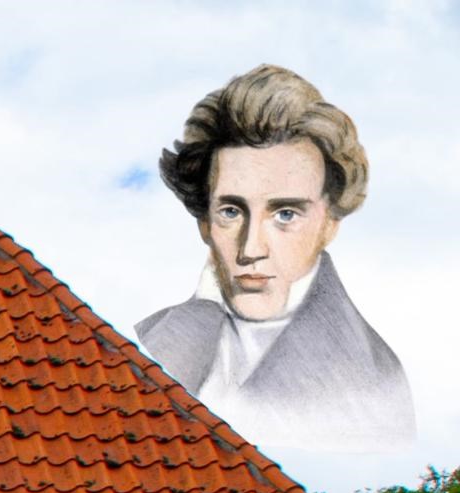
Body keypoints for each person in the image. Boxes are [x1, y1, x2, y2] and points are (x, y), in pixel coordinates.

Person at [138, 64, 413, 457]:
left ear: (329, 224)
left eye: (285, 214)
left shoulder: (373, 383)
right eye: (231, 212)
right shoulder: (152, 336)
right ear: (204, 223)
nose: (251, 248)